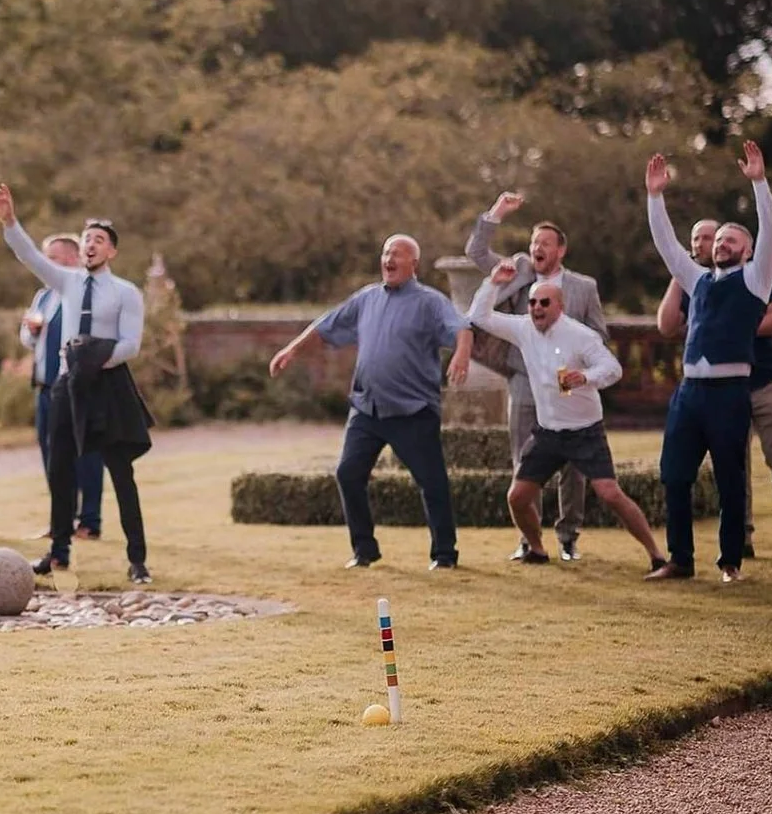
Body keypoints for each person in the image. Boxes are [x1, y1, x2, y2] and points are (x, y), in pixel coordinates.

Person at [271, 234, 472, 570]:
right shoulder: (367, 298)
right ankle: (364, 550)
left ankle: (445, 555)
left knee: (432, 482)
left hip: (413, 411)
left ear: (414, 265)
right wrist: (292, 349)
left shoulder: (429, 302)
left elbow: (462, 327)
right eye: (385, 253)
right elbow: (327, 324)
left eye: (397, 254)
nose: (388, 259)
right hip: (367, 408)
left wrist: (462, 356)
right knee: (348, 474)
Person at [0, 184, 154, 583]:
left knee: (120, 473)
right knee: (60, 467)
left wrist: (91, 362)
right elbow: (27, 254)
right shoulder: (66, 282)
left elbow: (130, 345)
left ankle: (137, 560)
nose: (91, 245)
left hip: (106, 385)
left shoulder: (126, 293)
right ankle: (58, 551)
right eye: (86, 239)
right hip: (66, 387)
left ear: (111, 251)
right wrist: (10, 220)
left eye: (99, 239)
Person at [470, 265, 666, 570]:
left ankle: (657, 556)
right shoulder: (523, 329)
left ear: (559, 307)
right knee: (517, 497)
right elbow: (480, 317)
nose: (536, 308)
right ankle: (536, 549)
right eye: (533, 302)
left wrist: (585, 377)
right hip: (547, 433)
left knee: (610, 494)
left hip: (584, 431)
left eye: (544, 303)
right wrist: (492, 283)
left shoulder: (580, 335)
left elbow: (613, 369)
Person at [644, 141, 772, 584]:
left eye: (730, 240)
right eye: (718, 240)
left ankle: (729, 562)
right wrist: (655, 196)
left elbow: (771, 231)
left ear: (748, 248)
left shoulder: (757, 279)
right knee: (675, 476)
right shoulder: (696, 278)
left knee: (729, 480)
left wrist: (759, 183)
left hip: (729, 394)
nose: (721, 245)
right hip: (690, 393)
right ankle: (680, 560)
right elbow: (666, 245)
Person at [466, 193, 608, 562]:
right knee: (524, 460)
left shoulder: (583, 287)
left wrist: (583, 369)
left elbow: (599, 336)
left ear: (561, 249)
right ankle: (529, 540)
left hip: (567, 386)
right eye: (533, 243)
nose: (536, 248)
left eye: (544, 243)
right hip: (523, 379)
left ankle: (568, 537)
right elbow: (477, 253)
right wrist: (497, 212)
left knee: (573, 467)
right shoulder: (521, 272)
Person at [657, 217, 772, 562]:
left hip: (760, 381)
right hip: (709, 392)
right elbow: (666, 326)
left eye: (711, 237)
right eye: (698, 238)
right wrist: (679, 273)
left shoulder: (751, 277)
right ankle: (740, 542)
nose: (705, 243)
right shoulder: (696, 282)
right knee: (736, 470)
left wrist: (734, 331)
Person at [19, 233, 105, 541]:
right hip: (45, 388)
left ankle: (90, 520)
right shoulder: (42, 296)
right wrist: (30, 331)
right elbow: (28, 341)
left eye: (52, 259)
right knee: (52, 456)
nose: (46, 265)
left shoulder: (82, 293)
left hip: (75, 388)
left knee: (86, 453)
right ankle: (62, 521)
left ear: (71, 258)